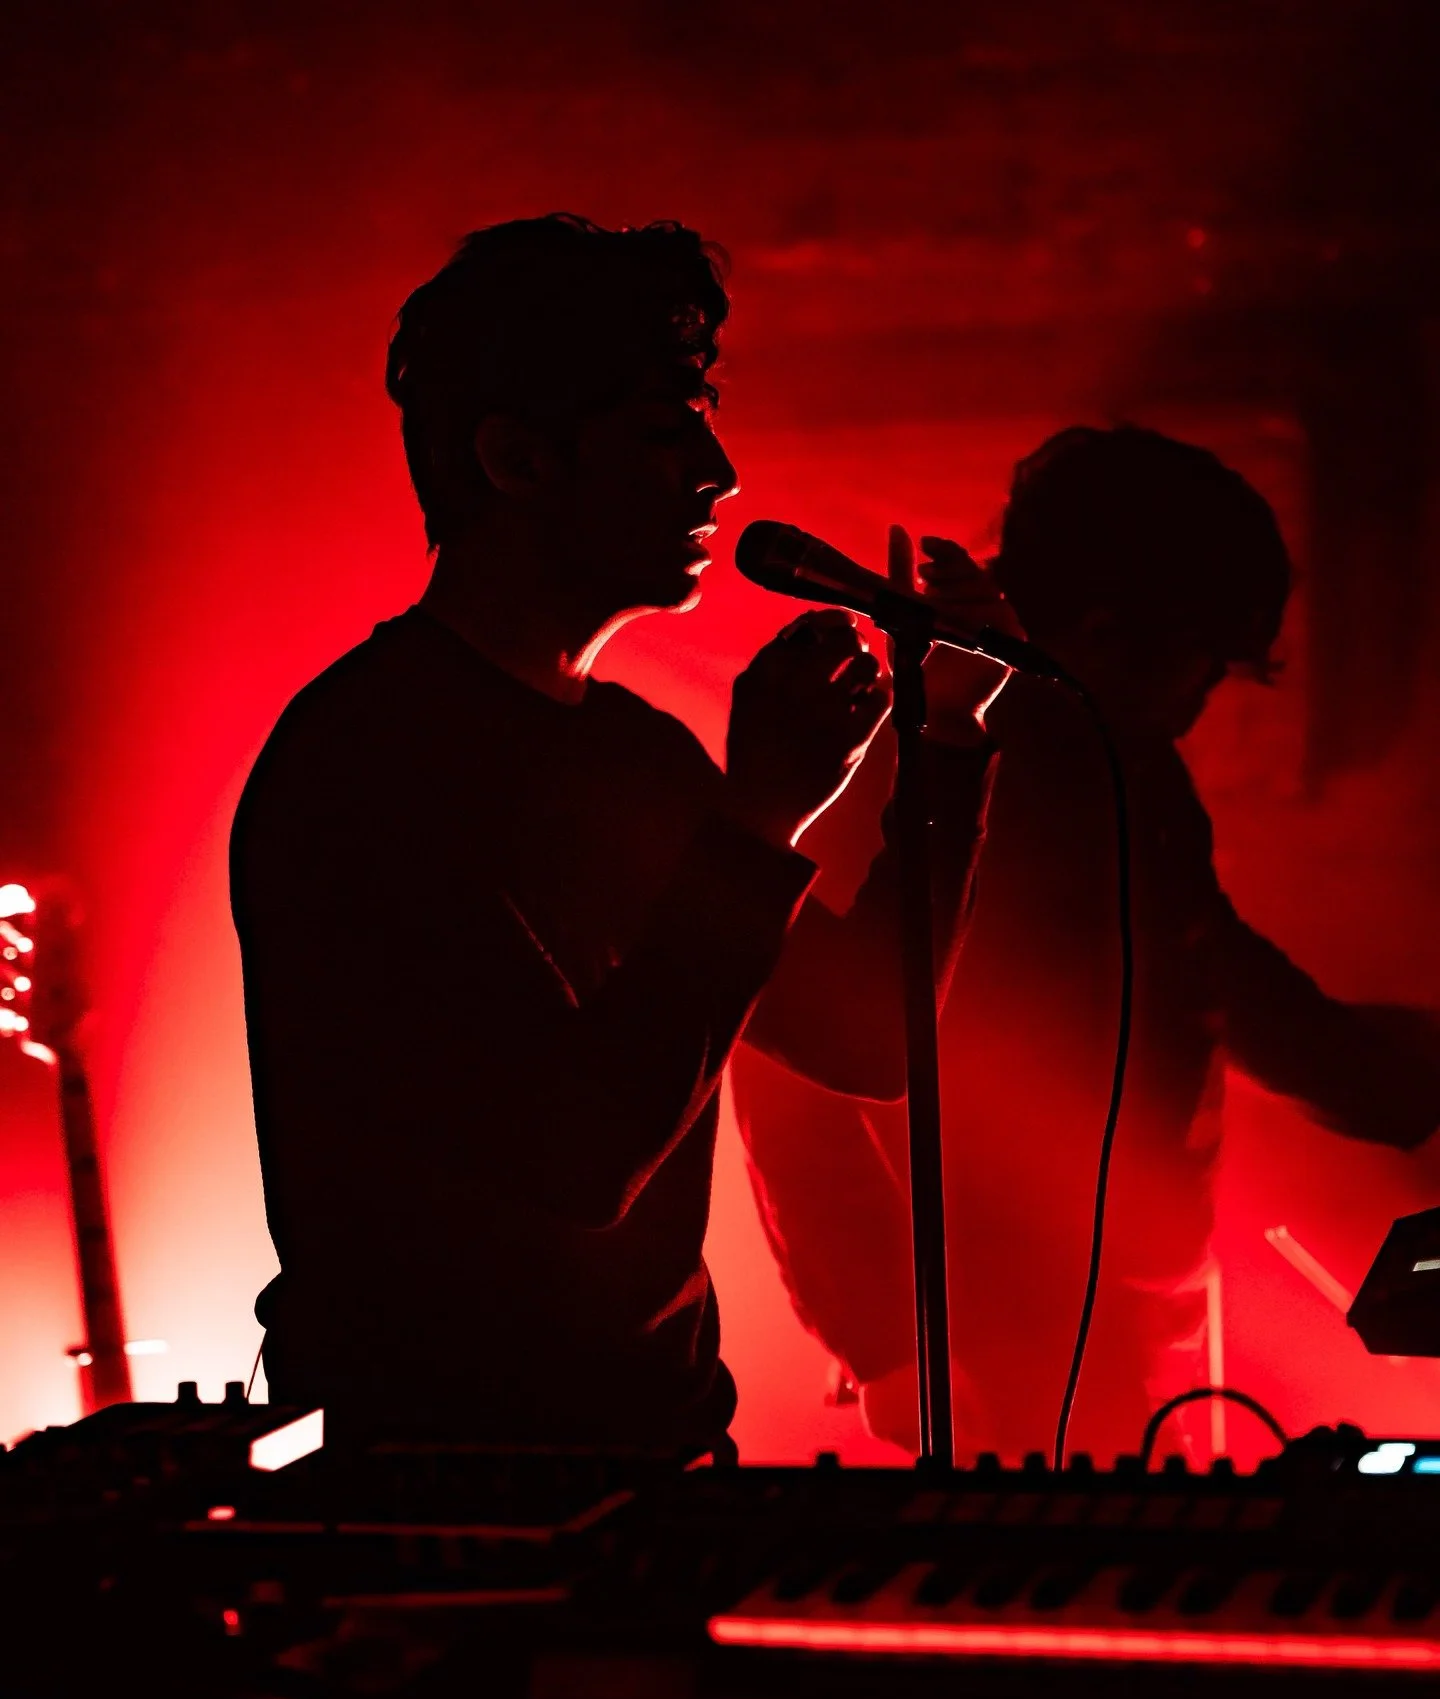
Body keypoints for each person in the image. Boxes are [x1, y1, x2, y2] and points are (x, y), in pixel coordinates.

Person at [230, 214, 1012, 1453]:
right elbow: (572, 1155)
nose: (718, 471)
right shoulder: (367, 760)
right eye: (665, 429)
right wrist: (758, 817)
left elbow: (869, 1035)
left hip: (661, 1450)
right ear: (516, 459)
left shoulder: (637, 754)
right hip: (450, 1491)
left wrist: (953, 741)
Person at [732, 424, 1440, 1464]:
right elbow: (785, 1065)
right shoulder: (924, 766)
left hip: (1115, 1324)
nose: (1203, 706)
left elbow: (1216, 975)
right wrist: (886, 1346)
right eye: (1206, 670)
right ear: (1108, 633)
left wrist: (1399, 1083)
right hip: (981, 1351)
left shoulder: (1131, 772)